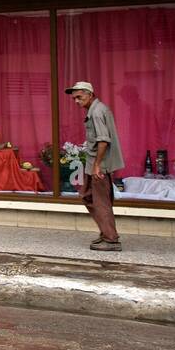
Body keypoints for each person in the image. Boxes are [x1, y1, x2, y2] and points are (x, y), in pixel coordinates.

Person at [66, 80, 124, 252]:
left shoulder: (97, 112)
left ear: (90, 94)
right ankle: (106, 232)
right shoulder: (96, 110)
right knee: (87, 195)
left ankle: (111, 239)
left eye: (79, 97)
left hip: (99, 165)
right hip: (94, 164)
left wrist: (98, 165)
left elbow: (103, 140)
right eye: (74, 98)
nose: (76, 101)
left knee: (101, 201)